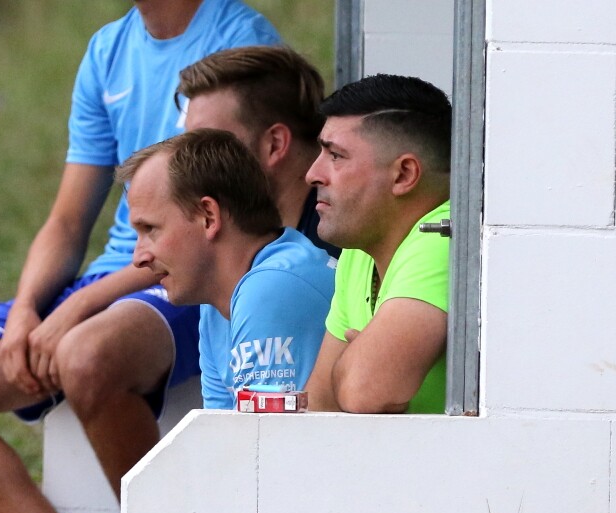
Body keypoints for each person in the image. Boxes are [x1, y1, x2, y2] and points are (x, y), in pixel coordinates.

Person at [0, 1, 279, 513]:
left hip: (188, 271)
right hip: (116, 272)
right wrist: (25, 309)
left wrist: (80, 308)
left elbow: (232, 218)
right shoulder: (108, 50)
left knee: (86, 355)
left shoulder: (237, 34)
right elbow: (67, 222)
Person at [120, 128, 335, 409]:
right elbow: (223, 430)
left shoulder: (271, 288)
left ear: (208, 216)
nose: (139, 258)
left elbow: (265, 435)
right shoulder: (216, 305)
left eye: (150, 229)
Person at [303, 73, 452, 414]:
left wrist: (361, 365)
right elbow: (320, 407)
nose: (313, 174)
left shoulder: (445, 235)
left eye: (336, 156)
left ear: (404, 174)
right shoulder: (359, 250)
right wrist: (363, 360)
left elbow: (365, 390)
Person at [177, 45, 340, 259]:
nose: (188, 163)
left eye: (205, 145)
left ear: (275, 144)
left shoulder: (338, 243)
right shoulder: (258, 236)